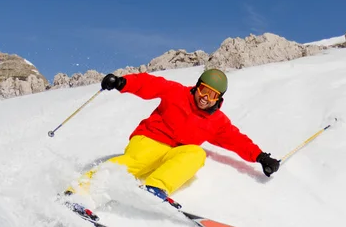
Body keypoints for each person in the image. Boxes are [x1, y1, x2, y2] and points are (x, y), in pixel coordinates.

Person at [67, 68, 280, 203]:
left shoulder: (217, 122)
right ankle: (78, 190)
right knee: (135, 161)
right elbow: (150, 84)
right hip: (149, 139)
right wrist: (124, 83)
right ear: (196, 87)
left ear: (219, 99)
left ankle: (155, 187)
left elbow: (236, 140)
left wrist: (260, 157)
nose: (205, 98)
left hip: (174, 152)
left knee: (197, 154)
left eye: (212, 95)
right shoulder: (176, 93)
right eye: (203, 90)